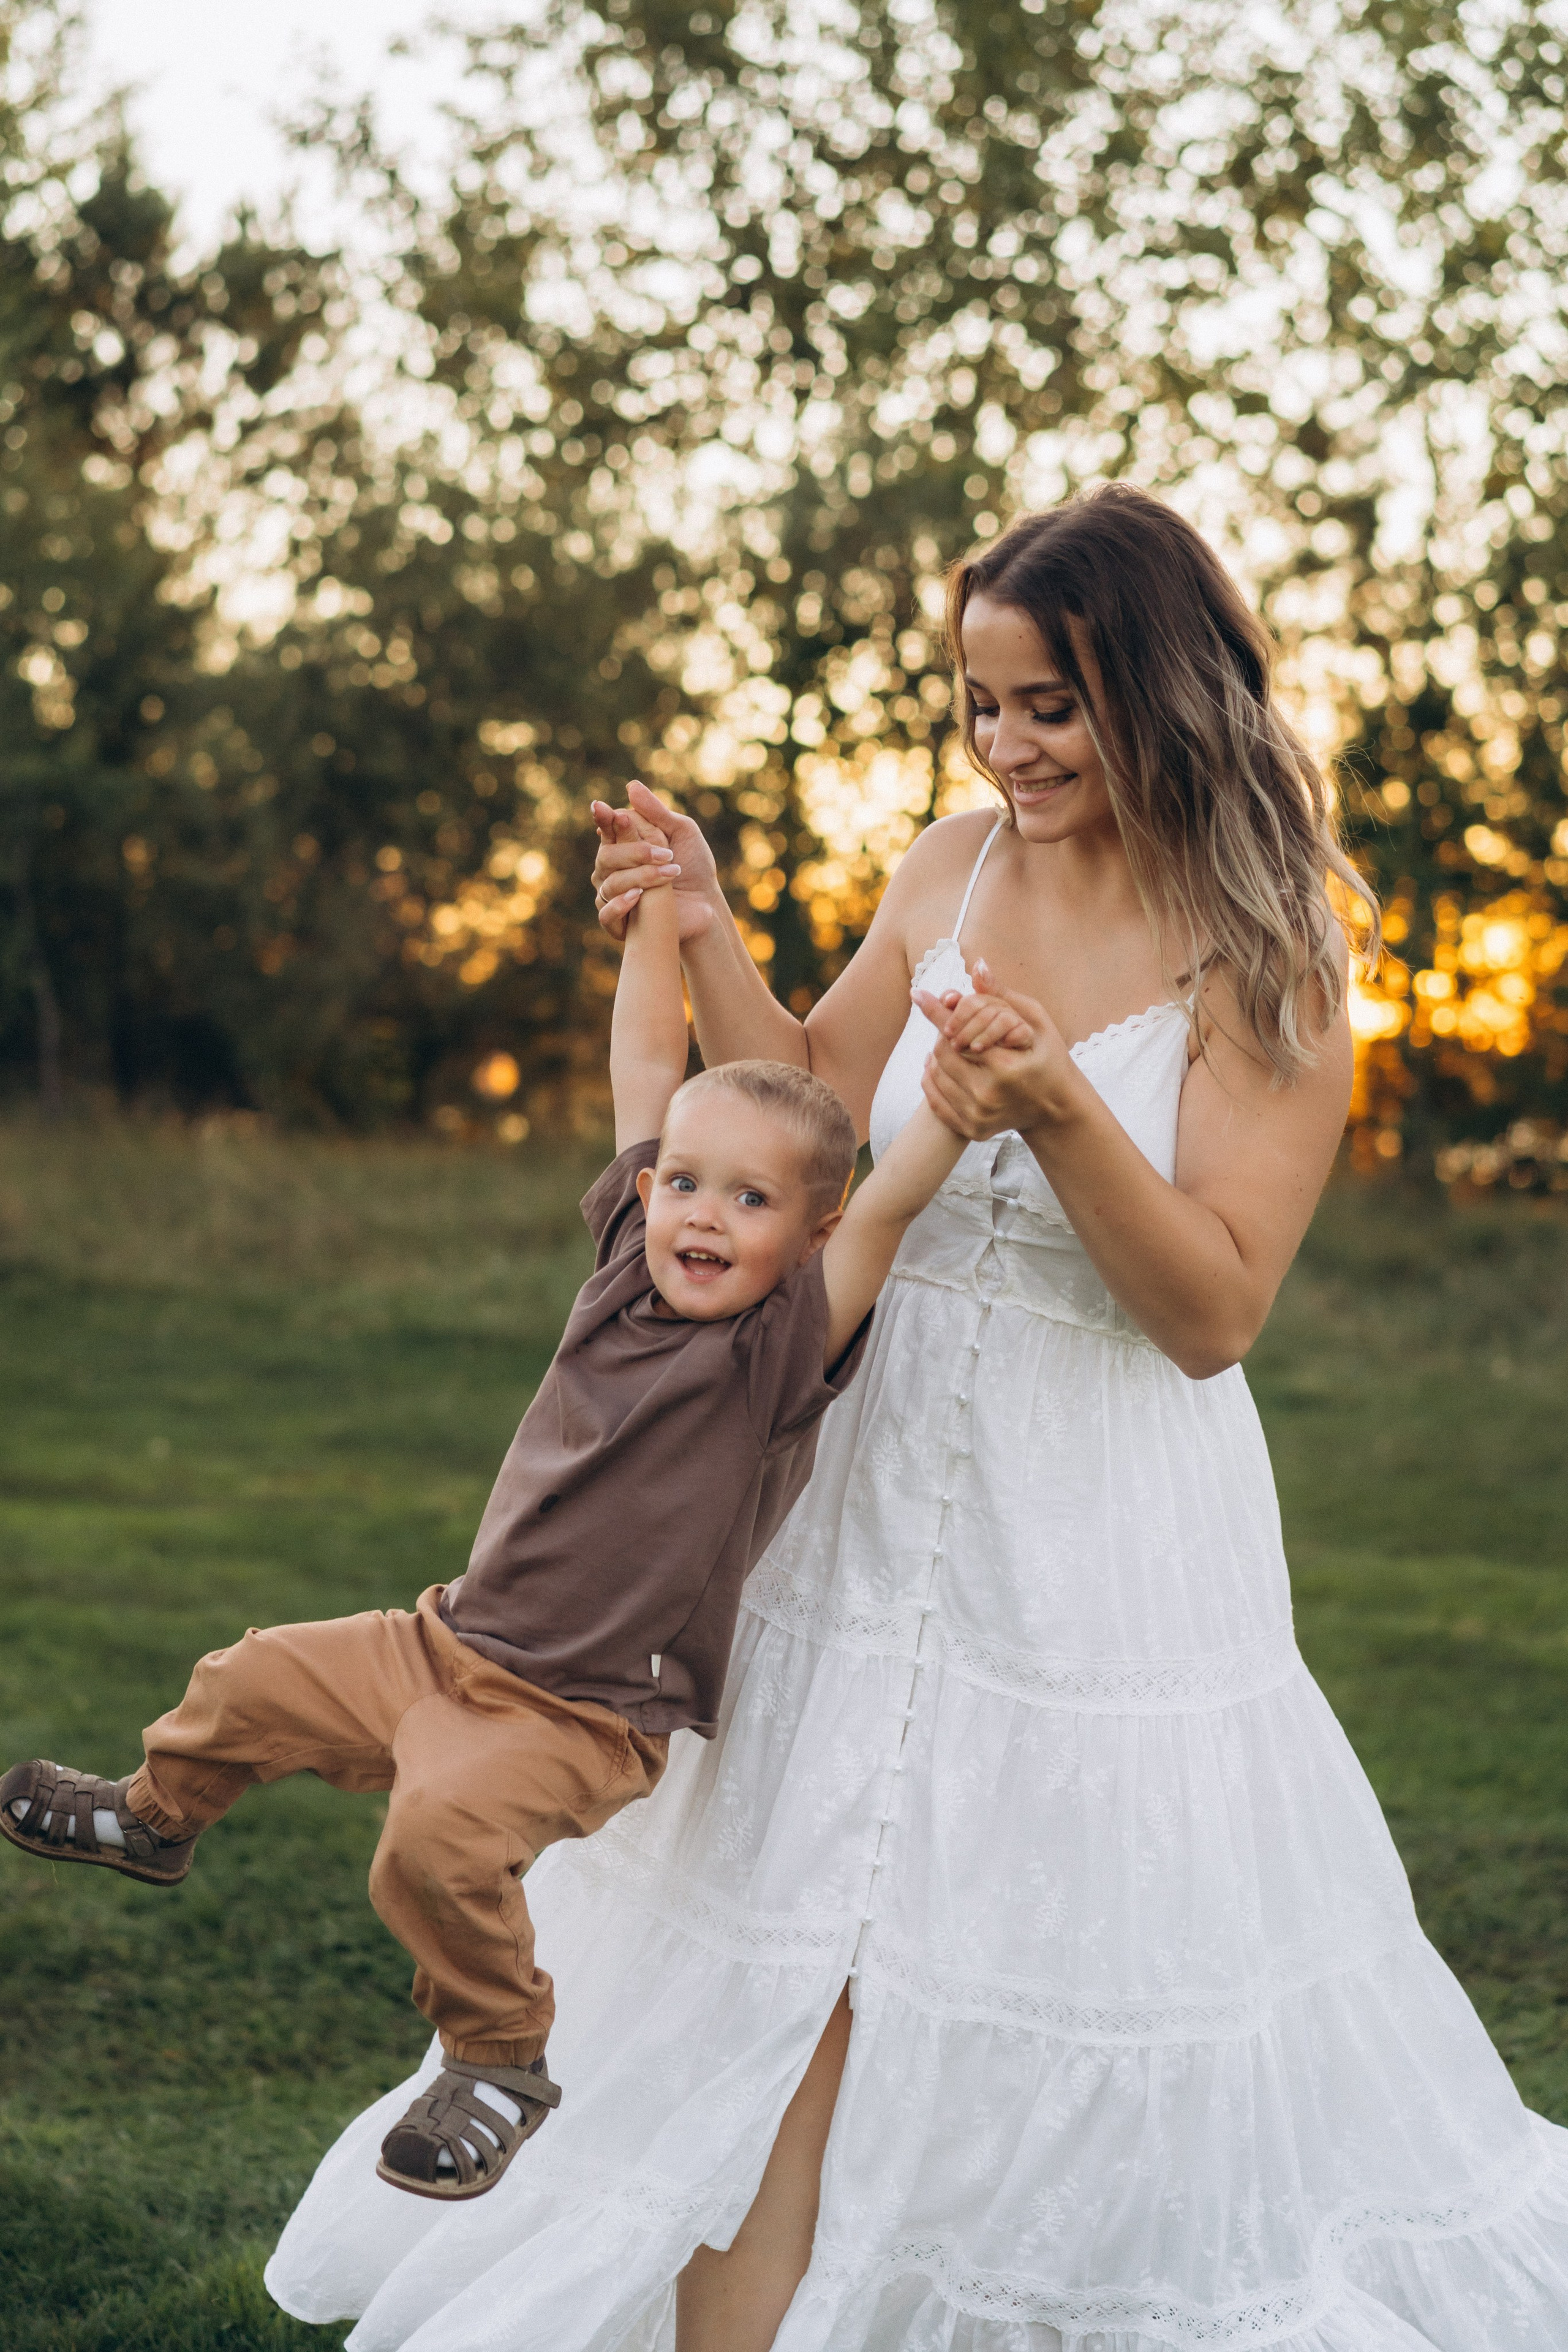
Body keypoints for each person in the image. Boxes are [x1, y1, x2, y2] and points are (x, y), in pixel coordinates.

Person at [266, 486, 1568, 2348]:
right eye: (980, 701)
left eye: (1051, 705)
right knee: (803, 1959)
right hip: (853, 1484)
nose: (1007, 746)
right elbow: (804, 1090)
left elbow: (1213, 1310)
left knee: (1043, 1965)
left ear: (1165, 694)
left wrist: (1057, 1106)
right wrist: (709, 932)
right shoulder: (952, 864)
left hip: (1098, 1527)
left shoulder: (1264, 954)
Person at [1, 818, 1017, 2202]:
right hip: (444, 1643)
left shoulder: (781, 1349)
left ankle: (497, 2059)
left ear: (810, 1238)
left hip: (578, 1712)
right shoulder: (620, 1263)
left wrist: (952, 1110)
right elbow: (643, 1068)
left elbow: (890, 1207)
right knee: (242, 1679)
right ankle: (158, 1814)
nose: (699, 1215)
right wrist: (657, 913)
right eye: (682, 1184)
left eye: (750, 1199)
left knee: (433, 1842)